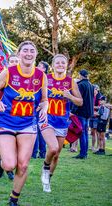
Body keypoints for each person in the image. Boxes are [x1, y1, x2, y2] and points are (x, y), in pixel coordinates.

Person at [0, 41, 48, 206]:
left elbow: (44, 100)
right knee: (10, 164)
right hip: (5, 121)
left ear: (36, 54)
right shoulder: (8, 73)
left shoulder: (41, 76)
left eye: (32, 50)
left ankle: (13, 199)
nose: (29, 53)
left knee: (22, 165)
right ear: (19, 54)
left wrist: (44, 107)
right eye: (25, 51)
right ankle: (2, 164)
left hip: (27, 123)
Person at [41, 54, 83, 192]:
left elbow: (80, 102)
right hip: (48, 119)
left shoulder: (71, 82)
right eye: (57, 63)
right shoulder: (46, 79)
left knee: (57, 153)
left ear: (66, 65)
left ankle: (48, 178)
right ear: (53, 65)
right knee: (52, 148)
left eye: (62, 63)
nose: (60, 65)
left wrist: (70, 96)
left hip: (62, 121)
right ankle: (45, 166)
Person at [72, 69, 94, 159]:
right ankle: (84, 153)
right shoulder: (91, 85)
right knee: (85, 133)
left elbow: (78, 99)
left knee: (82, 133)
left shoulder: (81, 85)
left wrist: (73, 111)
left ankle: (83, 154)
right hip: (89, 112)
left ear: (80, 75)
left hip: (81, 111)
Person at [32, 61, 49, 159]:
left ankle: (37, 153)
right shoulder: (36, 78)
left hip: (40, 109)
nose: (37, 67)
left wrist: (40, 106)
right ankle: (39, 153)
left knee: (38, 131)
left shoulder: (43, 79)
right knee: (37, 131)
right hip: (36, 108)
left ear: (44, 69)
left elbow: (45, 96)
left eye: (39, 66)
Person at [89, 85, 102, 152]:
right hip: (91, 116)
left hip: (96, 117)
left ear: (97, 90)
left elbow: (100, 107)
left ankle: (98, 147)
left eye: (94, 89)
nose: (93, 91)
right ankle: (93, 146)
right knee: (92, 132)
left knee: (97, 132)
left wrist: (91, 107)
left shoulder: (99, 97)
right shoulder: (91, 96)